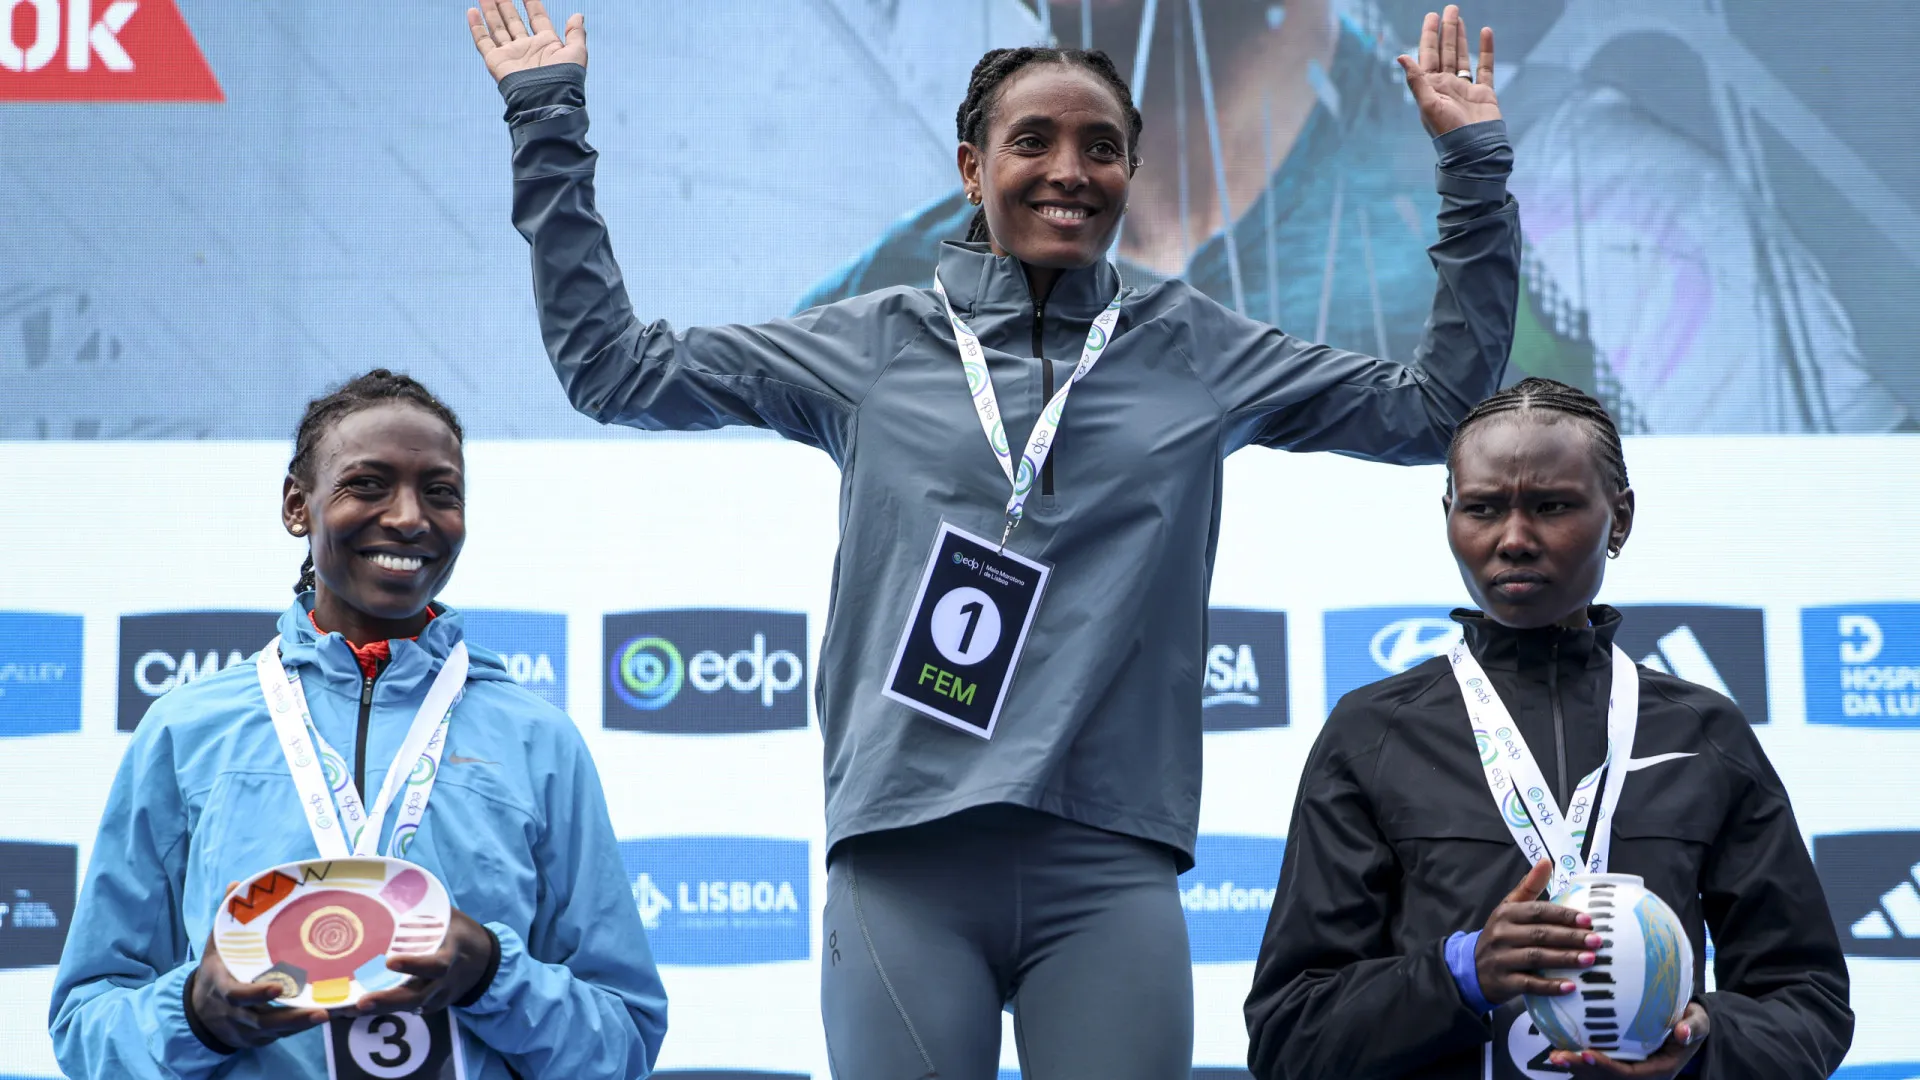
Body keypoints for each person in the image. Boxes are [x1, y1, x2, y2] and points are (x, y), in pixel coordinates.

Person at [469, 0, 1517, 1072]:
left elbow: (1434, 411)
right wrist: (548, 121)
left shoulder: (1193, 347)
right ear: (972, 169)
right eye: (1034, 142)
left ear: (1130, 173)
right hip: (905, 865)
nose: (1070, 169)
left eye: (1101, 148)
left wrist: (1472, 167)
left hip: (1109, 866)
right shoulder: (874, 338)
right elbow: (618, 371)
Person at [48, 370, 668, 1080]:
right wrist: (195, 1014)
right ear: (295, 505)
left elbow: (622, 1045)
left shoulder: (537, 741)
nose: (409, 517)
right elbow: (85, 1025)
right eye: (368, 484)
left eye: (441, 492)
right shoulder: (186, 732)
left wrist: (494, 974)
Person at [1243, 377, 1853, 1080]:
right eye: (1482, 508)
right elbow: (1290, 1037)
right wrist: (1464, 973)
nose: (1514, 539)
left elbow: (1808, 1004)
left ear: (1618, 518)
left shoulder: (1704, 732)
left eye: (1552, 506)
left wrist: (1702, 1040)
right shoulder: (1371, 733)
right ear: (1448, 514)